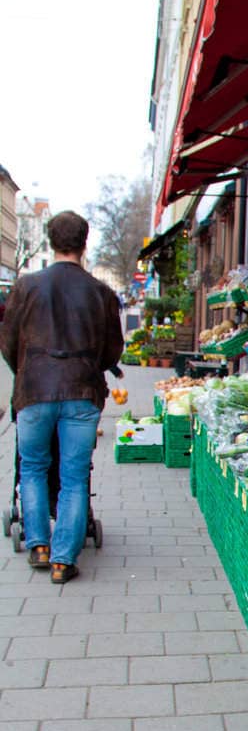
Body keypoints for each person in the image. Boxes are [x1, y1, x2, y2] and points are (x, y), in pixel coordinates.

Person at [0, 210, 123, 584]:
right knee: (73, 475)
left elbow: (8, 341)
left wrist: (25, 369)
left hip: (35, 389)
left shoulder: (26, 285)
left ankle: (38, 544)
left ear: (51, 242)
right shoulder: (101, 293)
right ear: (85, 243)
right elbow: (112, 350)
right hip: (82, 391)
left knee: (33, 466)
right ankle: (63, 560)